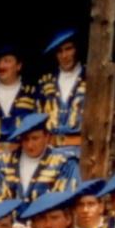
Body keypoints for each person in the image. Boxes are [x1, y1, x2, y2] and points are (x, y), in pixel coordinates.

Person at [0, 112, 80, 204]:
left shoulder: (64, 162)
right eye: (25, 139)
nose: (30, 145)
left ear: (47, 137)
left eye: (35, 138)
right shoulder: (5, 162)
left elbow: (66, 199)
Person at [35, 29, 86, 160]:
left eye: (68, 49)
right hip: (50, 155)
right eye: (59, 51)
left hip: (82, 154)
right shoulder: (46, 83)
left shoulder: (90, 78)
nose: (64, 55)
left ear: (77, 49)